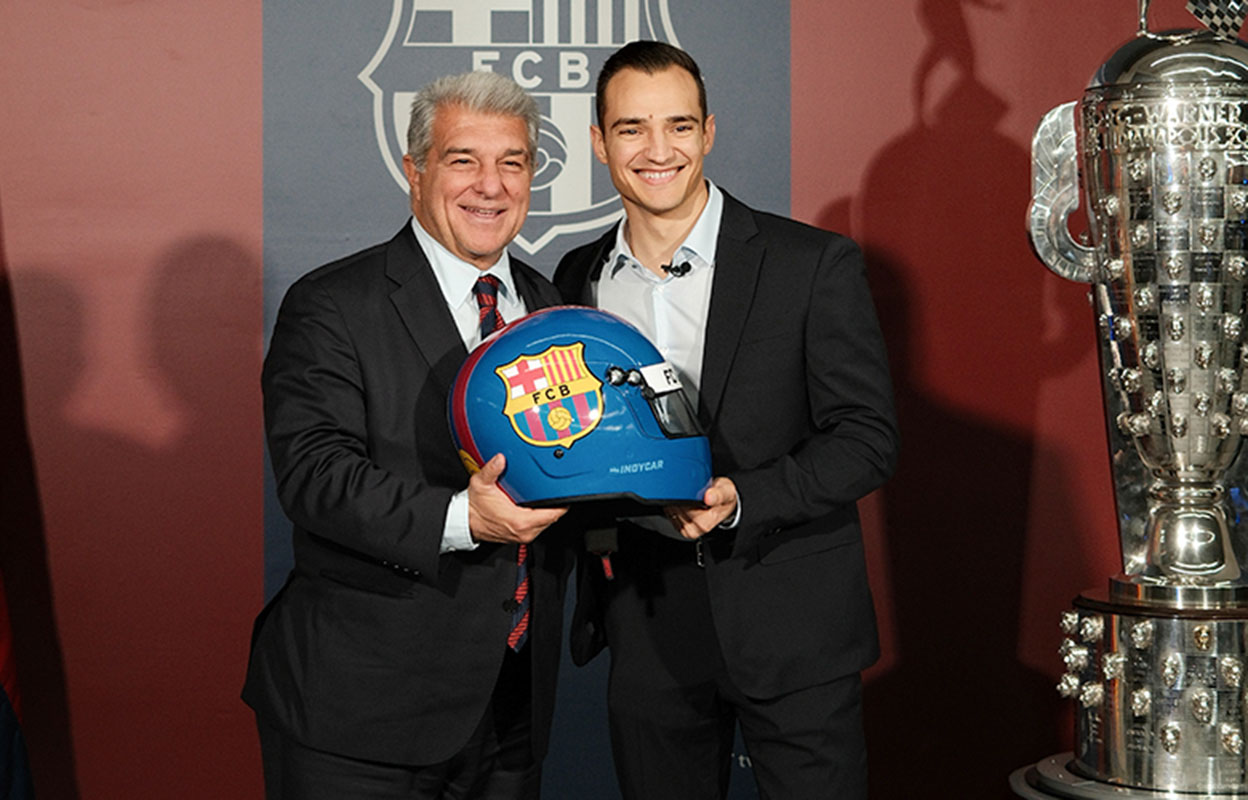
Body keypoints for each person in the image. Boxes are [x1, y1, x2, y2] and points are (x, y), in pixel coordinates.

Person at [552, 41, 899, 799]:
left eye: (678, 126)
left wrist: (744, 497)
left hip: (793, 620)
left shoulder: (810, 263)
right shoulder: (575, 280)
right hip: (646, 620)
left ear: (708, 133)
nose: (658, 150)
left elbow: (867, 439)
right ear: (599, 143)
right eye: (632, 128)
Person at [244, 70, 569, 800]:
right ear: (414, 171)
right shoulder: (332, 304)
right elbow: (315, 475)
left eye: (512, 162)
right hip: (361, 715)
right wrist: (464, 519)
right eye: (463, 160)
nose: (491, 186)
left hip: (512, 707)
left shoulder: (552, 307)